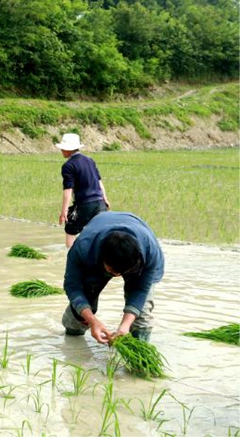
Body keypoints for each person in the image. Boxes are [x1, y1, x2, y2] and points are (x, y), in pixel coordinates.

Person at [62, 212, 164, 344]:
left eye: (123, 272)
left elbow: (141, 290)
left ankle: (139, 359)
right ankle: (72, 342)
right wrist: (93, 321)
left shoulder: (150, 251)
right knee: (81, 310)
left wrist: (125, 325)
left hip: (139, 247)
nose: (118, 276)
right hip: (96, 243)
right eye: (112, 271)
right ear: (102, 258)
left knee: (141, 315)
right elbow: (72, 286)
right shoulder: (83, 249)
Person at [56, 133, 111, 248]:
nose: (61, 150)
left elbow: (68, 190)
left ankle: (71, 257)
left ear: (68, 149)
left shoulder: (68, 165)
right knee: (100, 232)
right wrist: (105, 199)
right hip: (100, 203)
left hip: (85, 205)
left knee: (70, 229)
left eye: (63, 148)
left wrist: (64, 211)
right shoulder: (90, 160)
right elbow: (99, 181)